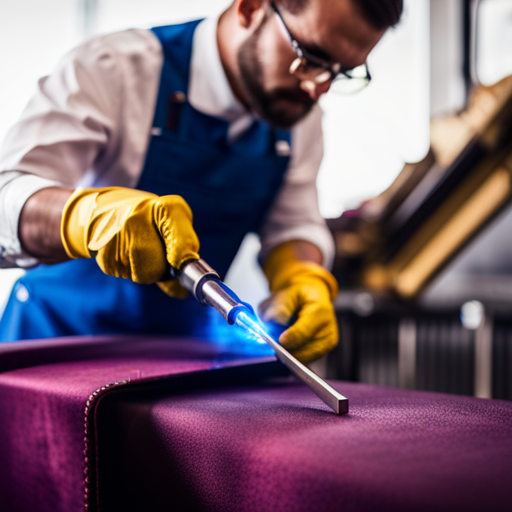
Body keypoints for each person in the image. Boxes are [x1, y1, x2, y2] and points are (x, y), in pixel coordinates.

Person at [0, 0, 402, 361]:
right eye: (311, 57)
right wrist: (83, 218)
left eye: (342, 73)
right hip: (52, 349)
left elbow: (291, 224)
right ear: (250, 8)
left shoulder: (299, 116)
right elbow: (6, 198)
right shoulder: (113, 69)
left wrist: (302, 276)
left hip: (174, 360)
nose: (318, 88)